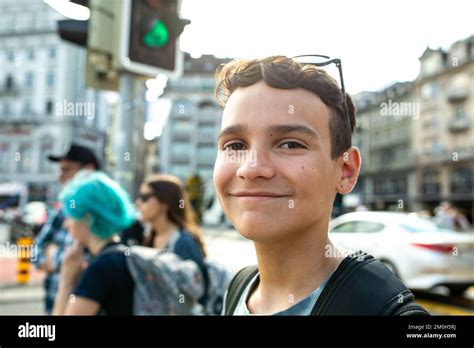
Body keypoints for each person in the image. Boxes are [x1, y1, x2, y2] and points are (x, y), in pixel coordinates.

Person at [213, 56, 428, 315]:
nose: (250, 168)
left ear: (346, 171)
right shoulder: (239, 286)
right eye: (234, 145)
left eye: (291, 144)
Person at [52, 171, 136, 315]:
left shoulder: (100, 268)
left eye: (70, 216)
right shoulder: (125, 256)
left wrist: (66, 283)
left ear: (88, 218)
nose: (66, 224)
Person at [32, 143, 100, 314]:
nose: (60, 177)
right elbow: (35, 250)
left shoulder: (105, 212)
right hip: (54, 306)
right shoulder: (62, 209)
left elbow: (91, 264)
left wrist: (54, 255)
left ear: (88, 170)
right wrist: (65, 263)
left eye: (66, 170)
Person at [135, 174, 209, 306]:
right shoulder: (148, 237)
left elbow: (198, 293)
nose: (138, 202)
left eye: (145, 198)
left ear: (165, 203)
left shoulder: (183, 242)